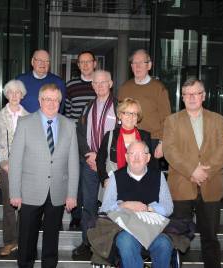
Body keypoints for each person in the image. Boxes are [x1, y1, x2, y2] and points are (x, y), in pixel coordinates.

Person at [8, 83, 79, 268]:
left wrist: (72, 194)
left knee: (51, 241)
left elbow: (73, 163)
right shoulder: (25, 123)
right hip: (30, 191)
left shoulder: (69, 125)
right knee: (26, 241)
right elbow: (15, 161)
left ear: (60, 102)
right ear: (40, 100)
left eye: (55, 99)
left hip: (57, 192)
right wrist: (15, 192)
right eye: (47, 99)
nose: (51, 103)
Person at [163, 78, 223, 268]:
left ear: (204, 96)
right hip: (181, 186)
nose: (192, 97)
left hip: (211, 185)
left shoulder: (218, 119)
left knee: (210, 237)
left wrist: (204, 171)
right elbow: (170, 150)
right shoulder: (172, 120)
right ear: (182, 97)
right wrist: (192, 170)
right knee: (177, 238)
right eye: (187, 94)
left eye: (196, 93)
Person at [100, 141, 174, 268]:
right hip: (126, 229)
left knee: (164, 244)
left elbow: (168, 207)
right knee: (125, 241)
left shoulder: (158, 176)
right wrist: (125, 205)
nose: (136, 157)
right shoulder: (116, 177)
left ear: (148, 158)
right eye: (132, 154)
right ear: (126, 157)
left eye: (141, 154)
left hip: (151, 228)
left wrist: (148, 208)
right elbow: (105, 207)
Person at [73, 70, 118, 258]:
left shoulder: (119, 106)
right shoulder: (87, 107)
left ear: (111, 83)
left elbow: (121, 134)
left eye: (103, 82)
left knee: (113, 206)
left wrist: (101, 159)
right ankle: (87, 242)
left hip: (111, 165)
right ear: (92, 85)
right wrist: (88, 155)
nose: (99, 86)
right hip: (89, 163)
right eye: (96, 83)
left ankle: (112, 244)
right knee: (89, 205)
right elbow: (80, 133)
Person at [0, 80, 29, 256]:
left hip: (25, 167)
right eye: (11, 92)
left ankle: (23, 241)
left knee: (25, 205)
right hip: (6, 166)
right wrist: (5, 162)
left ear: (22, 95)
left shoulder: (29, 116)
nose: (14, 95)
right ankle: (9, 241)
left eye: (18, 92)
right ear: (6, 95)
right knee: (8, 204)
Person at [65, 50, 98, 230]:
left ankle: (90, 217)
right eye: (81, 62)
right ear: (78, 66)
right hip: (74, 141)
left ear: (94, 63)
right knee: (74, 179)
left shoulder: (99, 84)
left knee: (90, 181)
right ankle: (76, 217)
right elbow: (67, 114)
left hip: (93, 142)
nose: (85, 65)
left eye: (88, 62)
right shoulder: (70, 86)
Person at [118, 49, 171, 159]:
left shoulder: (159, 88)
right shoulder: (124, 88)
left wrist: (162, 143)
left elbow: (167, 119)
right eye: (134, 63)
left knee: (150, 175)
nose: (137, 66)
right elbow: (119, 115)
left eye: (141, 62)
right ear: (131, 66)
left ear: (149, 65)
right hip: (128, 138)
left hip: (152, 140)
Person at [96, 97, 155, 187]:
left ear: (137, 117)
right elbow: (100, 160)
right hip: (113, 184)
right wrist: (104, 179)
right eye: (127, 113)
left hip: (140, 184)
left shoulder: (145, 136)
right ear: (120, 115)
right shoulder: (110, 136)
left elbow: (151, 163)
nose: (130, 117)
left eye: (134, 114)